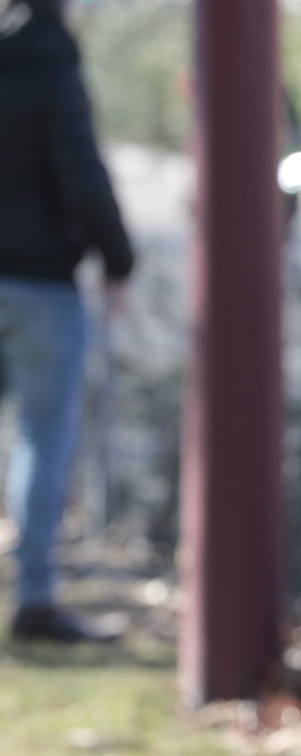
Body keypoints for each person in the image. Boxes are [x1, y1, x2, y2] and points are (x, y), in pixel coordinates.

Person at [0, 0, 131, 642]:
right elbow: (81, 169)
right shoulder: (52, 64)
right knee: (41, 440)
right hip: (42, 283)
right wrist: (118, 256)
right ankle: (35, 598)